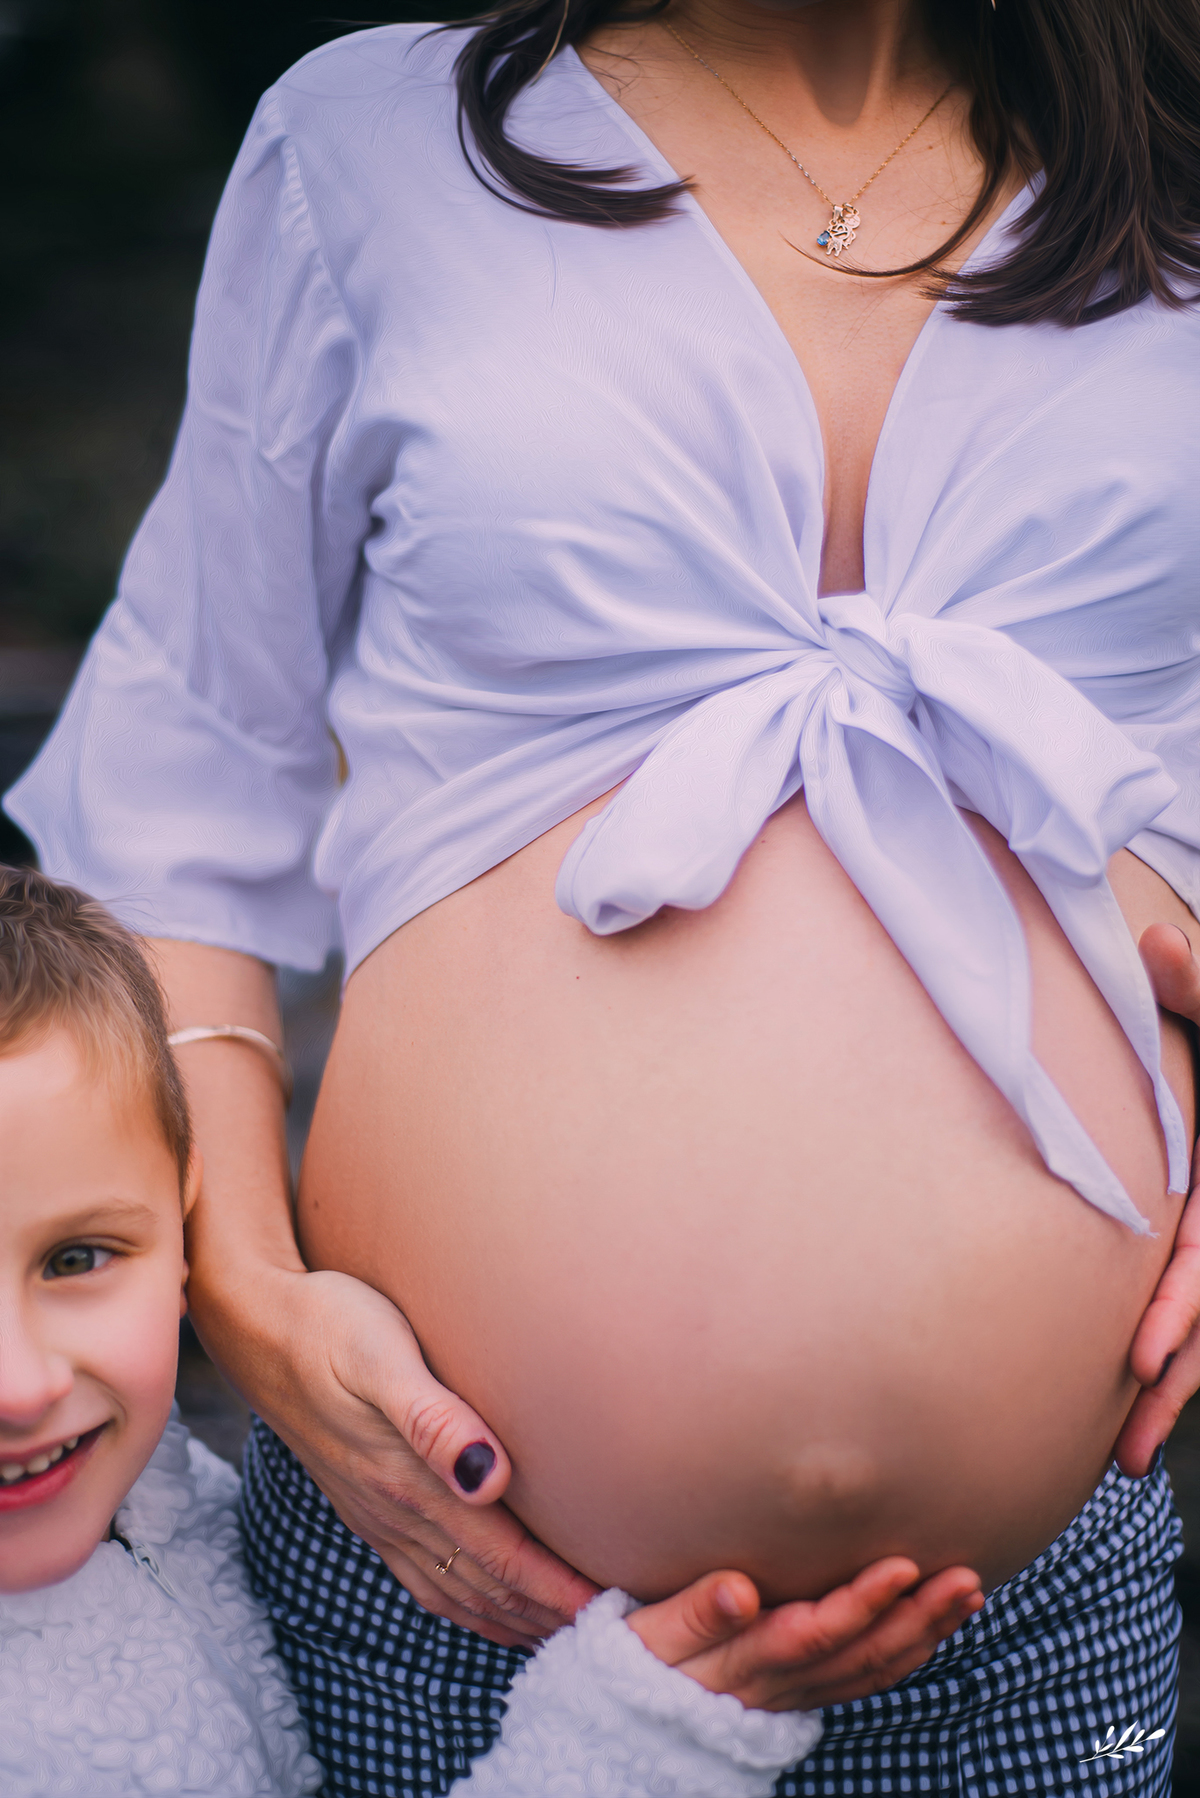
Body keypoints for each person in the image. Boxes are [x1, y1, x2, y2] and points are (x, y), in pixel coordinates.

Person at [6, 0, 1200, 1791]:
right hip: (450, 1571)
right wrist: (247, 1288)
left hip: (1030, 1606)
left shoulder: (1178, 163)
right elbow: (179, 782)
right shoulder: (370, 144)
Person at [0, 866, 322, 1797]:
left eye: (75, 1260)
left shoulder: (174, 1495)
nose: (21, 1387)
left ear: (184, 1216)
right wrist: (632, 1742)